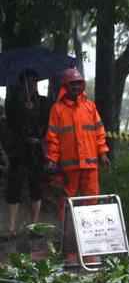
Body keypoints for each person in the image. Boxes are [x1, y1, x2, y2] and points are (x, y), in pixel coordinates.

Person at [45, 68, 111, 263]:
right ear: (65, 87)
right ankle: (70, 249)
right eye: (72, 84)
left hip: (90, 166)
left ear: (82, 85)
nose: (76, 87)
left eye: (78, 83)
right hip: (68, 169)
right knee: (67, 207)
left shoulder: (90, 106)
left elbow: (99, 132)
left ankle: (91, 249)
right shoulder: (57, 110)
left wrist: (103, 152)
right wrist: (51, 159)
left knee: (92, 205)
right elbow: (53, 138)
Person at [4, 69, 49, 239]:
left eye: (33, 81)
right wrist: (22, 110)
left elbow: (47, 125)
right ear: (21, 84)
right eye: (27, 82)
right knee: (14, 186)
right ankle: (11, 227)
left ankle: (34, 227)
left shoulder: (43, 102)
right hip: (18, 151)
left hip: (36, 151)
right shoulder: (13, 103)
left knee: (36, 188)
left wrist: (40, 140)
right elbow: (10, 125)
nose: (31, 85)